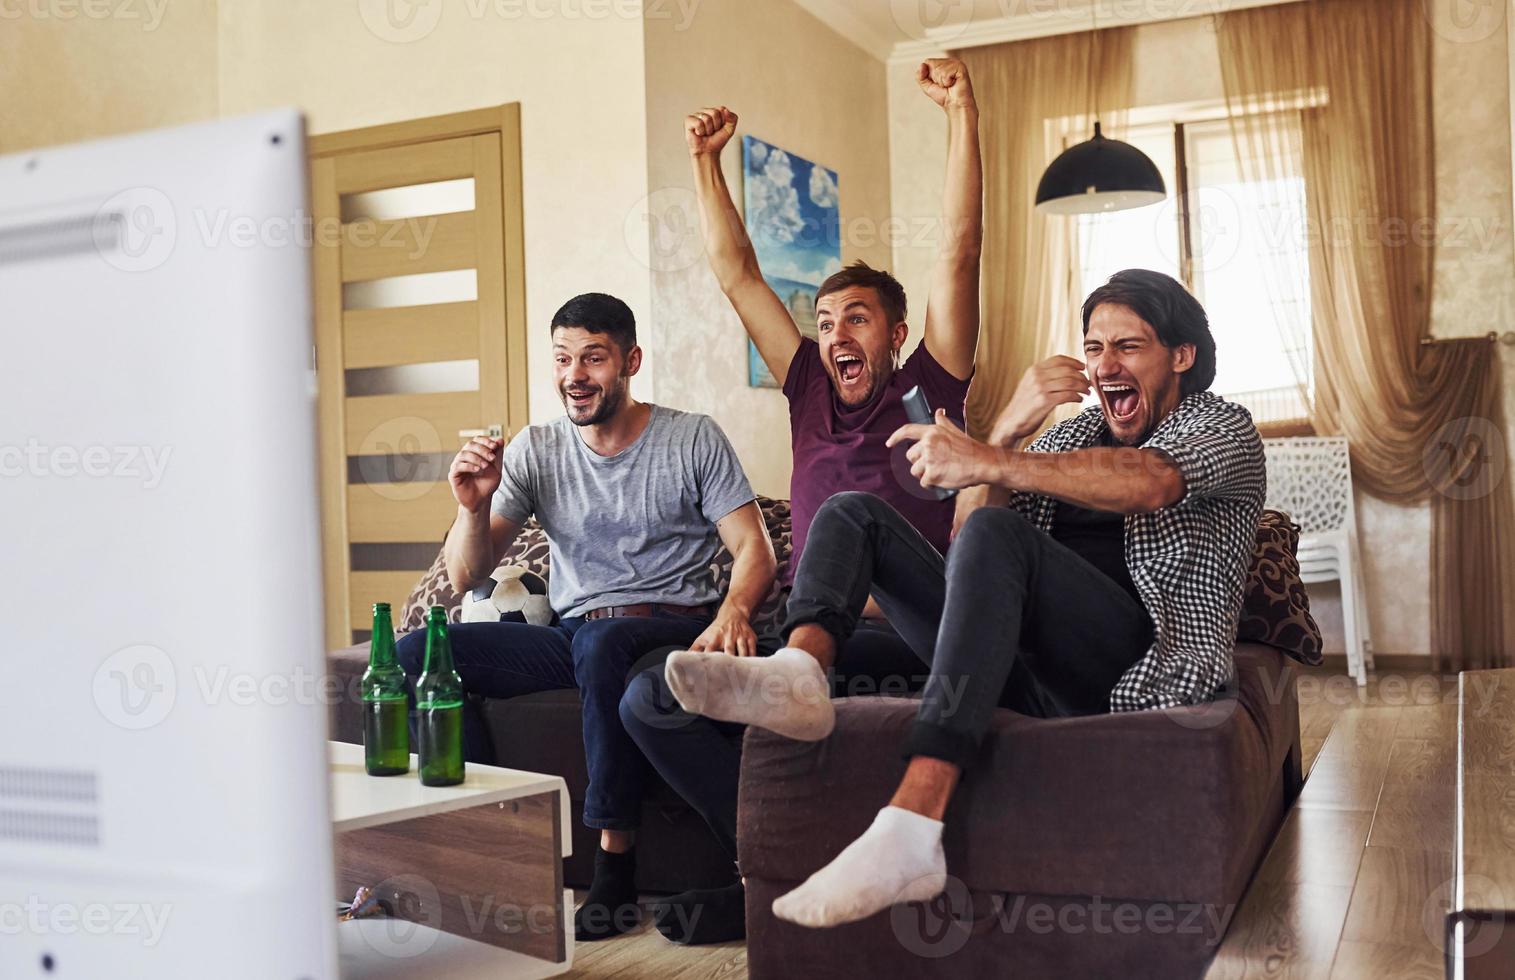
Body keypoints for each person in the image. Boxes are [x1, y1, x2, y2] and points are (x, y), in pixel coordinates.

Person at [664, 269, 1267, 928]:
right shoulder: (1070, 435)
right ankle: (798, 672)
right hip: (1026, 668)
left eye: (1127, 347)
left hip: (1139, 665)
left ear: (1180, 356)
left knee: (996, 530)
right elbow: (963, 538)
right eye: (1093, 348)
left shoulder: (1219, 425)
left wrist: (989, 460)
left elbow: (1148, 483)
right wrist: (1005, 430)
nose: (1103, 365)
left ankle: (910, 825)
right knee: (849, 512)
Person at [614, 57, 985, 947]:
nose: (833, 335)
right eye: (823, 322)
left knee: (856, 541)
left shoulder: (933, 383)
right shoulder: (808, 389)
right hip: (804, 644)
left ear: (896, 334)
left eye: (854, 319)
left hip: (903, 633)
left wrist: (962, 112)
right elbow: (737, 272)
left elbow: (960, 248)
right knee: (645, 701)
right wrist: (704, 162)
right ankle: (776, 860)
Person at [395, 292, 776, 942]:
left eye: (593, 358)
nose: (575, 374)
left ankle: (613, 865)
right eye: (563, 358)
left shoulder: (690, 437)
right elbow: (465, 575)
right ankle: (488, 838)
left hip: (671, 629)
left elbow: (754, 548)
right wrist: (470, 506)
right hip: (577, 636)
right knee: (416, 655)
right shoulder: (538, 450)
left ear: (629, 360)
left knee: (603, 645)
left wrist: (734, 610)